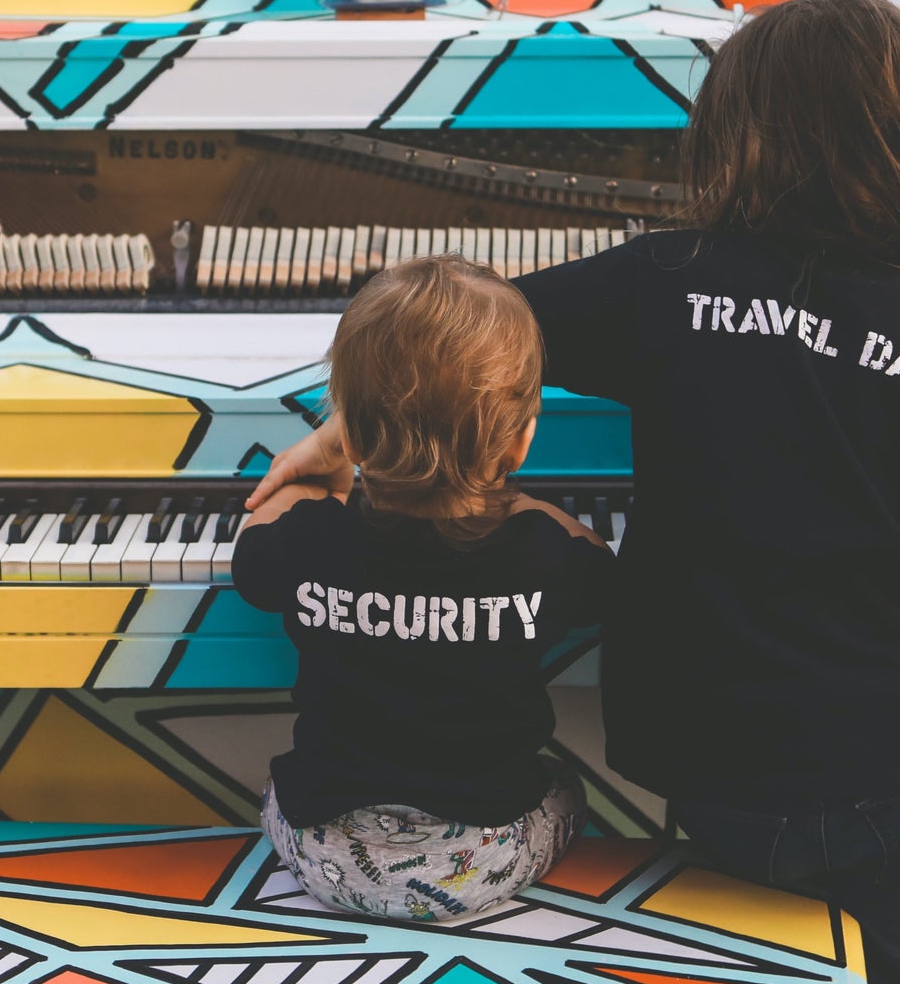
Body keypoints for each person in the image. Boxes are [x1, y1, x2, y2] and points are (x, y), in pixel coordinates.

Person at [246, 0, 900, 984]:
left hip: (711, 768)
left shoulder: (664, 278)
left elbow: (454, 336)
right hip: (881, 765)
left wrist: (351, 432)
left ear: (736, 132)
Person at [232, 255, 614, 923]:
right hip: (477, 859)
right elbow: (596, 557)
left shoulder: (306, 541)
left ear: (348, 427)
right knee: (567, 788)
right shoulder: (543, 556)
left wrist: (313, 467)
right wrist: (507, 491)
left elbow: (252, 537)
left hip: (324, 852)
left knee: (275, 784)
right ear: (519, 442)